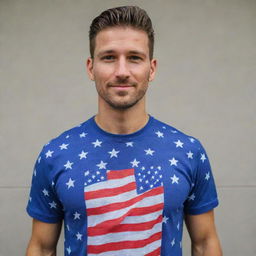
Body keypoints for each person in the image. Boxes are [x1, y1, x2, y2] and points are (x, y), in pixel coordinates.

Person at [26, 5, 222, 256]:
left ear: (151, 69)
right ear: (90, 67)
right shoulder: (54, 155)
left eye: (134, 58)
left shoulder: (188, 151)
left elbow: (205, 243)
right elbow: (41, 248)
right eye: (109, 57)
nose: (121, 71)